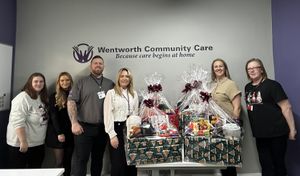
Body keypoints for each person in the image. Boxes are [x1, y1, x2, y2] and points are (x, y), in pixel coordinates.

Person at [245, 58, 297, 176]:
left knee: (278, 164)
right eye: (249, 69)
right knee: (265, 165)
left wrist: (292, 129)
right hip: (260, 134)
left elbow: (286, 107)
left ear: (261, 69)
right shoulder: (247, 87)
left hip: (277, 133)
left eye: (255, 67)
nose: (252, 70)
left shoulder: (273, 85)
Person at [67, 55, 114, 176]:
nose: (98, 65)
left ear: (103, 66)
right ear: (91, 66)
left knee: (98, 159)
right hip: (83, 128)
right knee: (81, 159)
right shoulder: (81, 82)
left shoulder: (110, 84)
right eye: (95, 63)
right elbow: (71, 102)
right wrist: (74, 123)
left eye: (100, 63)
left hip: (102, 129)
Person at [6, 72, 49, 168]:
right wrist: (23, 141)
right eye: (36, 81)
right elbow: (17, 122)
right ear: (30, 83)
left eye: (41, 81)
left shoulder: (41, 97)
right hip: (21, 144)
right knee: (18, 172)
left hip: (37, 143)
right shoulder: (22, 98)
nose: (39, 83)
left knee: (35, 171)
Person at [104, 68, 138, 176]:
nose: (124, 78)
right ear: (118, 78)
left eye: (127, 76)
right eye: (122, 76)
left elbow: (135, 113)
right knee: (118, 163)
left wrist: (135, 131)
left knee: (131, 161)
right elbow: (107, 114)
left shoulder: (134, 93)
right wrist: (112, 135)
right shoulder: (111, 93)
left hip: (131, 129)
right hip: (116, 128)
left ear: (130, 79)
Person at [210, 58, 241, 176]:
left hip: (229, 126)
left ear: (225, 68)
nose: (218, 68)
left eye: (221, 66)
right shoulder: (212, 85)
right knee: (221, 157)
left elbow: (237, 108)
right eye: (215, 66)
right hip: (216, 126)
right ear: (213, 70)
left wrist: (233, 127)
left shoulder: (230, 84)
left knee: (230, 158)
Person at [46, 72, 74, 176]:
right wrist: (59, 133)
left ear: (71, 81)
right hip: (57, 133)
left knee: (68, 161)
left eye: (67, 80)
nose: (65, 82)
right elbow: (54, 116)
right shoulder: (54, 96)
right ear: (59, 82)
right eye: (62, 80)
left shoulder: (74, 94)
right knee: (59, 162)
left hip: (71, 133)